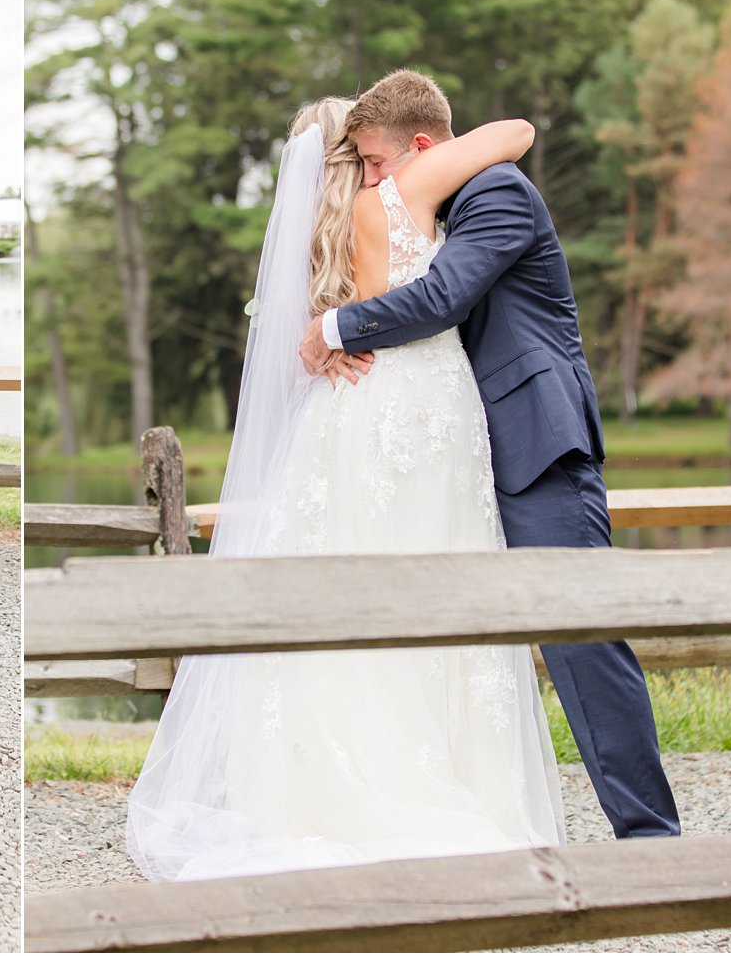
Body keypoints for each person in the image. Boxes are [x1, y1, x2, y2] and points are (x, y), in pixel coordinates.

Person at [127, 95, 567, 882]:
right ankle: (435, 780)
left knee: (366, 577)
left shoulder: (348, 212)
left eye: (375, 152)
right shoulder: (401, 191)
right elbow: (516, 133)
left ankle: (321, 789)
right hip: (427, 405)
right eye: (362, 153)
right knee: (433, 583)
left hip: (366, 409)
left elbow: (326, 317)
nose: (374, 165)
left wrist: (330, 333)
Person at [300, 68, 680, 842]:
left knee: (581, 634)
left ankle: (650, 837)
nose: (375, 182)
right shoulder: (440, 199)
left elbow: (443, 298)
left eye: (378, 163)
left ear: (422, 147)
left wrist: (337, 329)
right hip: (466, 454)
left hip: (537, 446)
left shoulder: (497, 193)